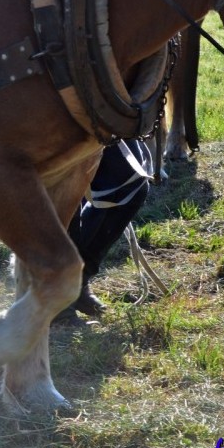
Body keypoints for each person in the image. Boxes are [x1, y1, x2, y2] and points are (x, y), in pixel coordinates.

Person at [60, 138, 152, 321]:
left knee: (133, 184)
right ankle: (56, 294)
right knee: (65, 193)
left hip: (98, 114)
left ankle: (78, 281)